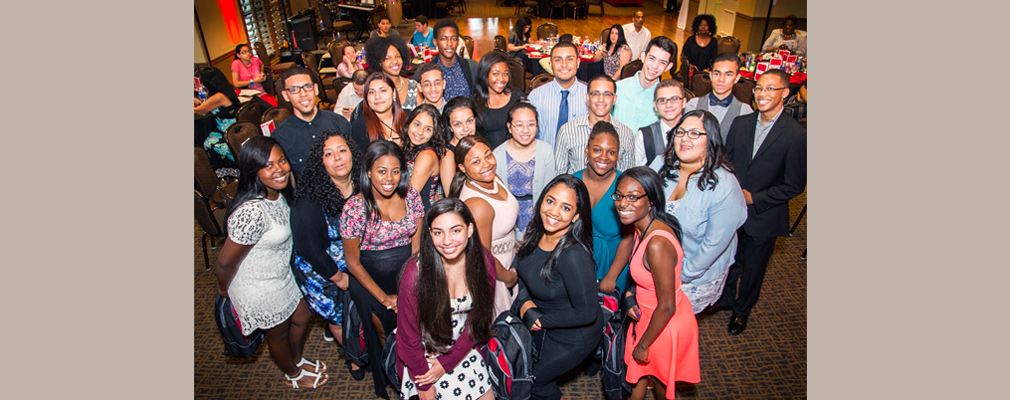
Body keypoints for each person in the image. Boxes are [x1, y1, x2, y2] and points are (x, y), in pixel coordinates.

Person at [215, 136, 329, 389]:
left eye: (282, 161)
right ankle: (292, 372)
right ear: (253, 171)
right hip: (257, 284)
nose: (279, 169)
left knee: (302, 313)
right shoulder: (251, 212)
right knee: (277, 333)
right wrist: (225, 292)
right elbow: (224, 263)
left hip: (280, 274)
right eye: (268, 165)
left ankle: (295, 359)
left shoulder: (280, 193)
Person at [716, 69, 807, 335]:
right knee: (731, 258)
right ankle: (726, 298)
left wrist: (755, 198)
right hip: (733, 208)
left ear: (784, 93)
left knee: (754, 268)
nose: (762, 94)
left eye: (770, 89)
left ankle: (742, 311)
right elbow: (726, 162)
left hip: (765, 215)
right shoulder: (742, 123)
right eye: (759, 88)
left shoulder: (796, 135)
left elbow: (794, 185)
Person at [340, 140, 425, 398]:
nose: (389, 178)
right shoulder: (354, 208)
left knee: (414, 329)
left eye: (396, 171)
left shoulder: (411, 196)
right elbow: (352, 262)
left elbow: (417, 248)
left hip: (407, 274)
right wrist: (385, 298)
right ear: (368, 171)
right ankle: (396, 375)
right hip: (369, 280)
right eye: (381, 170)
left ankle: (416, 376)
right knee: (385, 333)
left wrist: (409, 287)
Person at [513, 174, 603, 400]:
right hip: (545, 321)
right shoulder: (536, 230)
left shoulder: (573, 256)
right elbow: (521, 270)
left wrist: (539, 320)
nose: (553, 212)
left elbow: (586, 313)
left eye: (565, 207)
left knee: (535, 383)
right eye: (550, 201)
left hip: (573, 335)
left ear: (576, 216)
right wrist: (524, 302)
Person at [396, 198, 497, 400]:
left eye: (455, 230)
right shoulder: (415, 273)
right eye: (438, 232)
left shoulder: (483, 263)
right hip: (423, 355)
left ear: (469, 230)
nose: (447, 241)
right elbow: (408, 338)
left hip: (464, 345)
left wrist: (448, 361)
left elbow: (477, 320)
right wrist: (423, 384)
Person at [615, 167, 700, 400]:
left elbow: (667, 306)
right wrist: (631, 295)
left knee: (663, 390)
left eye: (633, 197)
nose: (623, 203)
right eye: (619, 196)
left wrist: (643, 344)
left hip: (663, 325)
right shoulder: (641, 227)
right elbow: (643, 275)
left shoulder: (657, 244)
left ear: (651, 201)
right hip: (648, 316)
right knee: (638, 378)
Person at [650, 110, 747, 314]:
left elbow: (713, 245)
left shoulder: (725, 186)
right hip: (656, 264)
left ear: (710, 140)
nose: (685, 138)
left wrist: (680, 276)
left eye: (695, 133)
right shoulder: (660, 164)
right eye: (681, 132)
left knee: (678, 324)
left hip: (693, 276)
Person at [288, 130, 366, 378]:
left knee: (362, 312)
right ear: (320, 161)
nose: (338, 158)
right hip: (323, 270)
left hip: (355, 262)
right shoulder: (310, 198)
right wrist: (339, 278)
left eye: (342, 150)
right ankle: (354, 357)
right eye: (328, 154)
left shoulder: (364, 184)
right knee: (340, 317)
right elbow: (310, 249)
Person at [449, 136, 520, 316]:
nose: (486, 164)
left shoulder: (492, 179)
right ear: (462, 168)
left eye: (488, 155)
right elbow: (483, 258)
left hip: (508, 260)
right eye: (476, 161)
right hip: (496, 274)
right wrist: (509, 278)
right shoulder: (477, 205)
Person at [575, 122, 634, 294]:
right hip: (579, 264)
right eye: (597, 150)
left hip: (614, 265)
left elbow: (629, 237)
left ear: (618, 155)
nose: (604, 157)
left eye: (611, 152)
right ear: (587, 151)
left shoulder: (626, 185)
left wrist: (612, 276)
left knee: (610, 317)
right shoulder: (571, 183)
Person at [271, 67, 352, 179]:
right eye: (294, 90)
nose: (303, 94)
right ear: (285, 95)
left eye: (307, 87)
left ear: (316, 89)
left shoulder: (339, 123)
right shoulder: (281, 136)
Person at [493, 102, 556, 242]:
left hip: (539, 217)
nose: (525, 130)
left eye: (531, 124)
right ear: (509, 127)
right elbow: (497, 198)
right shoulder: (497, 155)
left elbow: (549, 192)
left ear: (537, 126)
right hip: (508, 219)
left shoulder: (546, 151)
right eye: (519, 125)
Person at [555, 75, 637, 174]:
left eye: (607, 94)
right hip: (577, 188)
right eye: (595, 94)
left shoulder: (626, 134)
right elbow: (558, 173)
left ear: (614, 99)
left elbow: (628, 176)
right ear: (587, 97)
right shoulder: (567, 131)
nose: (601, 99)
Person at [612, 36, 678, 134]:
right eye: (652, 58)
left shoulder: (666, 101)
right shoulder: (618, 88)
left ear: (668, 67)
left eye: (662, 62)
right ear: (643, 57)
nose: (655, 66)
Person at [527, 41, 587, 147]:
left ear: (578, 63)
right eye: (558, 60)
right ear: (550, 64)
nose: (564, 65)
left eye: (569, 59)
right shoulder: (535, 97)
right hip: (545, 161)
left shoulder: (590, 97)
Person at [685, 52, 754, 140]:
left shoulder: (745, 112)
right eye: (717, 74)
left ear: (737, 78)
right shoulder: (692, 105)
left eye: (728, 74)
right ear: (710, 75)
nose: (721, 79)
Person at [402, 104, 451, 210]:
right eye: (417, 124)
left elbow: (409, 195)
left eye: (428, 129)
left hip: (420, 215)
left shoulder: (426, 155)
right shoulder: (407, 148)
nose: (420, 132)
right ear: (409, 123)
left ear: (434, 133)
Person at [195, 66, 241, 178]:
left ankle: (226, 173)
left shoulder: (218, 96)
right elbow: (205, 105)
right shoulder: (225, 90)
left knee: (207, 143)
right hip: (235, 126)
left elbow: (201, 111)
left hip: (227, 131)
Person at [473, 50, 525, 149]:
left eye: (505, 74)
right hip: (486, 160)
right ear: (485, 74)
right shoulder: (474, 103)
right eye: (495, 74)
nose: (501, 79)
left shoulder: (517, 98)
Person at [418, 19, 478, 102]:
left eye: (453, 39)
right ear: (435, 42)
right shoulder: (425, 72)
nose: (449, 44)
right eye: (443, 39)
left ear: (458, 42)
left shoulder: (472, 67)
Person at [635, 79, 688, 167]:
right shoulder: (644, 136)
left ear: (684, 102)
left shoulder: (696, 133)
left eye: (674, 99)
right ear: (655, 106)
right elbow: (637, 173)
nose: (668, 105)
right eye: (662, 100)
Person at [350, 72, 408, 149]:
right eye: (371, 92)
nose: (377, 96)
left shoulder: (409, 118)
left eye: (383, 90)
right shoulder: (360, 127)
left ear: (393, 93)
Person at [365, 35, 419, 111]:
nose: (394, 61)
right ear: (379, 62)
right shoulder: (373, 90)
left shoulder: (414, 86)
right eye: (387, 58)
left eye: (397, 56)